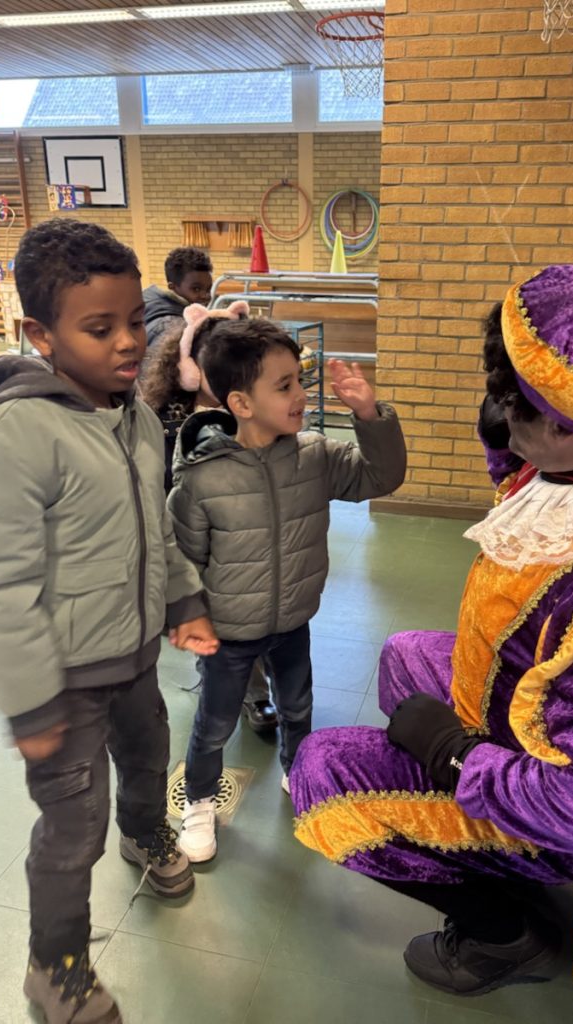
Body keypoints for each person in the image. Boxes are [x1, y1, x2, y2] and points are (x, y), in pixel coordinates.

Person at [288, 265, 573, 1023]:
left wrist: (454, 754)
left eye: (513, 401)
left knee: (323, 778)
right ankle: (489, 860)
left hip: (565, 802)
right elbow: (529, 484)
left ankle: (506, 935)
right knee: (403, 655)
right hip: (531, 713)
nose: (498, 409)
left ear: (566, 424)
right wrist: (507, 441)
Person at [0, 219, 219, 1024]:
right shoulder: (14, 436)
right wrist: (30, 703)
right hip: (63, 684)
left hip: (132, 656)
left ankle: (145, 833)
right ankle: (57, 968)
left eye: (132, 322)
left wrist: (182, 601)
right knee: (73, 827)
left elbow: (157, 533)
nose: (127, 343)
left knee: (148, 761)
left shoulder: (136, 418)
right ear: (40, 334)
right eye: (99, 328)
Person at [167, 304, 407, 863]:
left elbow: (381, 476)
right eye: (284, 386)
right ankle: (199, 801)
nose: (300, 394)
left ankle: (298, 770)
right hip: (228, 633)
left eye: (300, 379)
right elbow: (182, 561)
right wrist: (186, 617)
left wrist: (369, 415)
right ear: (241, 404)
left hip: (293, 618)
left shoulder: (315, 456)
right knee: (213, 725)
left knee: (298, 708)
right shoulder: (202, 479)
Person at [140, 301, 279, 733]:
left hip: (246, 537)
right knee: (210, 618)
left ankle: (255, 689)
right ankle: (238, 689)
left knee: (251, 617)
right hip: (190, 539)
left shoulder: (253, 413)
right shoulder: (164, 418)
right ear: (189, 368)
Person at [142, 245, 213, 348]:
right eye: (196, 289)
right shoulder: (173, 330)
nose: (205, 296)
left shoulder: (154, 305)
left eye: (208, 289)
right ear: (173, 287)